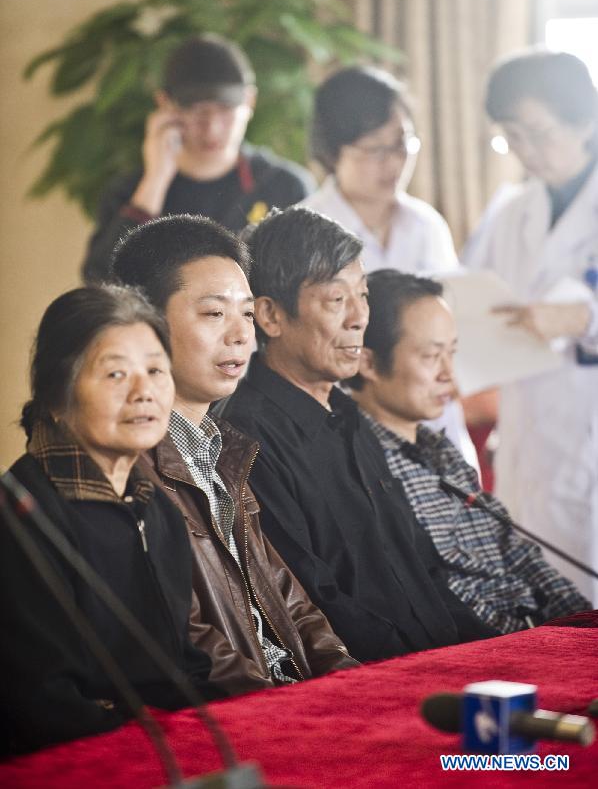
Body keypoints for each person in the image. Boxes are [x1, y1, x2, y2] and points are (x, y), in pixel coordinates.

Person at [217, 206, 494, 663]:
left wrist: (493, 649)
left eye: (362, 296)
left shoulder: (350, 415)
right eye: (335, 300)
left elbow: (422, 570)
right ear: (270, 315)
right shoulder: (248, 436)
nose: (358, 318)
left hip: (437, 662)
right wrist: (427, 668)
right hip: (372, 680)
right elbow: (313, 601)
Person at [111, 214, 357, 694]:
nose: (242, 335)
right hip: (239, 717)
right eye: (213, 313)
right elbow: (183, 638)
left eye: (246, 313)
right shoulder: (124, 467)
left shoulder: (221, 448)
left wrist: (348, 680)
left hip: (290, 700)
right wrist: (284, 706)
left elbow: (294, 604)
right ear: (145, 323)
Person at [0, 285, 217, 756]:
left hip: (162, 743)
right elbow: (43, 702)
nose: (144, 392)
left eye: (156, 371)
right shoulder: (21, 513)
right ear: (56, 397)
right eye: (116, 373)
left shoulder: (155, 507)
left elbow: (183, 668)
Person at [347, 269, 590, 634]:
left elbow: (518, 553)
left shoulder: (438, 448)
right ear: (367, 362)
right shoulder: (360, 464)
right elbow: (443, 595)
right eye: (431, 357)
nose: (450, 373)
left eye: (453, 354)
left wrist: (582, 624)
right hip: (487, 647)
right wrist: (528, 640)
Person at [463, 49, 598, 603]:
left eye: (536, 133)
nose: (524, 151)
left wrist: (582, 318)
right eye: (511, 136)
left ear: (585, 120)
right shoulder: (512, 211)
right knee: (539, 616)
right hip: (527, 433)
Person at [302, 63, 476, 467]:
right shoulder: (304, 232)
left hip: (434, 424)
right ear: (332, 152)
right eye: (375, 150)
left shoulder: (426, 224)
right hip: (347, 429)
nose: (394, 162)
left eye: (403, 144)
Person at [83, 34, 315, 282]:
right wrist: (155, 181)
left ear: (249, 101)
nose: (212, 128)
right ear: (165, 104)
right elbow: (101, 285)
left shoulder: (283, 186)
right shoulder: (129, 192)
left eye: (225, 111)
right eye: (196, 111)